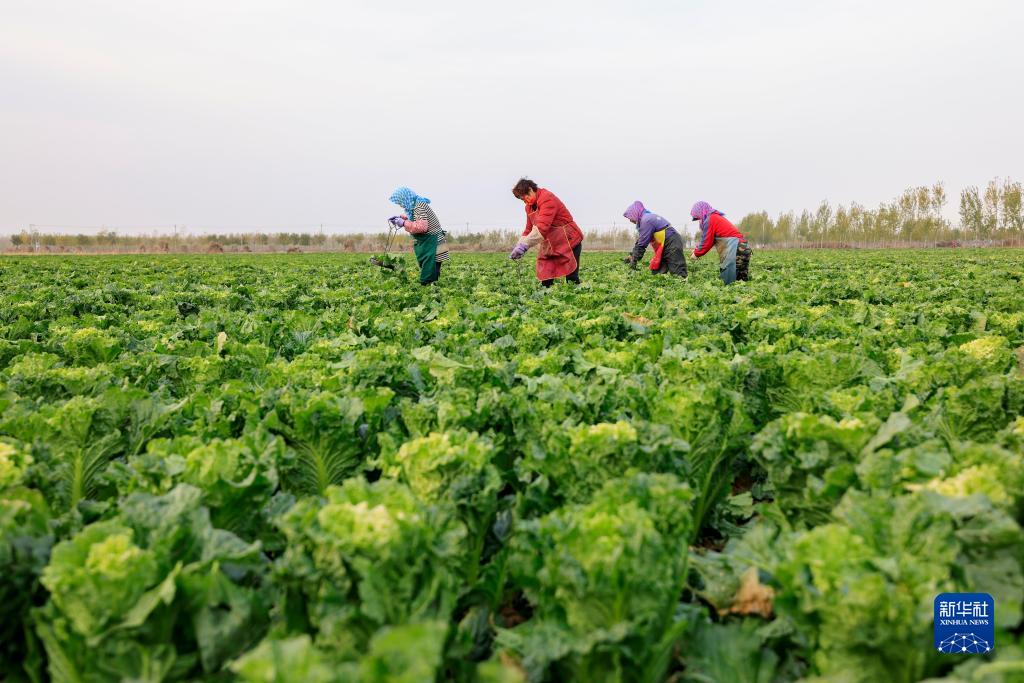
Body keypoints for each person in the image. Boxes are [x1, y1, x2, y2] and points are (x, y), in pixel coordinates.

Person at [509, 178, 584, 287]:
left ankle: (578, 294)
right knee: (546, 278)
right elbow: (528, 229)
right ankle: (546, 295)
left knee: (571, 279)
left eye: (525, 197)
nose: (525, 201)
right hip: (551, 245)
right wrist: (519, 245)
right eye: (522, 200)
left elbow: (541, 228)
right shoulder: (529, 208)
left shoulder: (547, 198)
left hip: (569, 241)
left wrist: (524, 245)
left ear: (530, 190)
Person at [388, 186, 449, 285]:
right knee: (430, 269)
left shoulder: (419, 206)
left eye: (400, 202)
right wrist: (401, 218)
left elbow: (421, 227)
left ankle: (429, 287)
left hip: (434, 242)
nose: (401, 205)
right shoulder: (415, 205)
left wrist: (403, 223)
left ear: (405, 198)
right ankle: (432, 287)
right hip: (430, 242)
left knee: (430, 269)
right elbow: (415, 218)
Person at [689, 201, 751, 284]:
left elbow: (706, 242)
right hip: (743, 248)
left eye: (698, 218)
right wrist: (697, 250)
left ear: (701, 212)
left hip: (736, 249)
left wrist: (696, 254)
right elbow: (709, 240)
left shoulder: (710, 219)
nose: (699, 221)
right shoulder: (715, 217)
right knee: (741, 282)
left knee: (729, 282)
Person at [623, 200, 687, 277]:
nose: (630, 220)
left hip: (671, 242)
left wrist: (634, 259)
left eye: (630, 217)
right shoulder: (646, 218)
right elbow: (640, 240)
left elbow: (642, 244)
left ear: (635, 213)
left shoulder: (646, 220)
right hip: (666, 243)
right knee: (658, 272)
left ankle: (682, 281)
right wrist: (632, 255)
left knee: (677, 271)